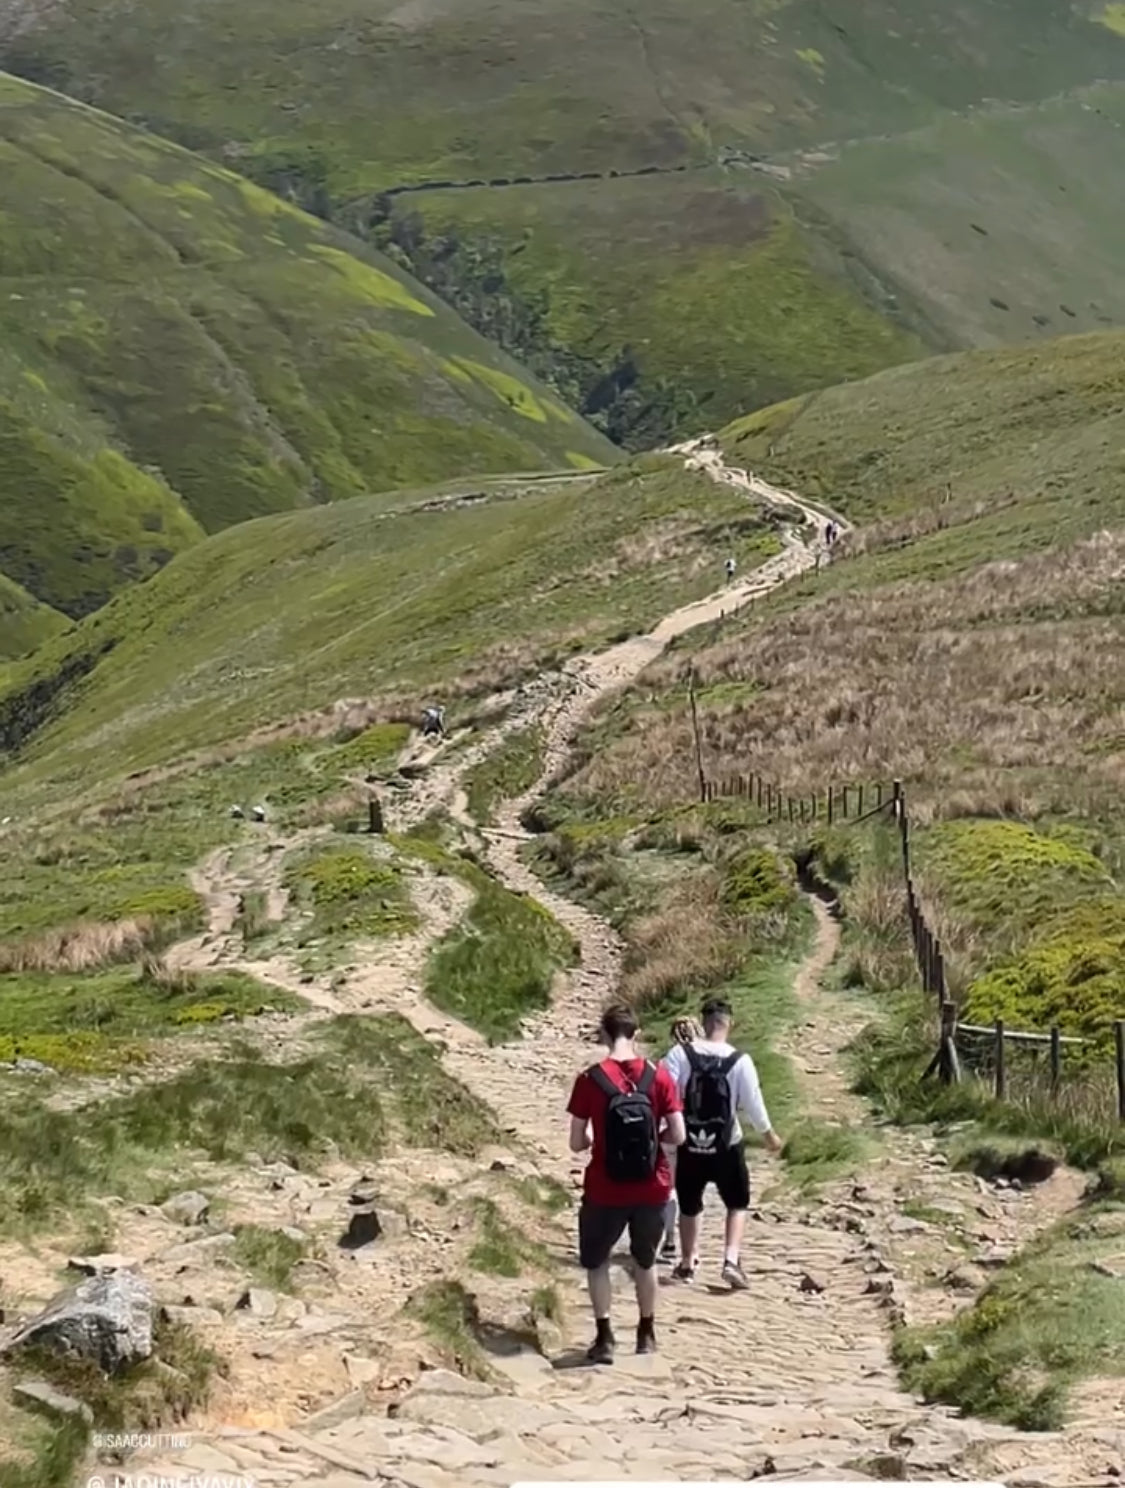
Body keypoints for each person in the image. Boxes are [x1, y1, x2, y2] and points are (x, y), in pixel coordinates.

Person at [567, 1003, 685, 1362]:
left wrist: (595, 1140)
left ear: (604, 1034)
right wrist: (651, 1138)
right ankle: (646, 1332)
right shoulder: (658, 1074)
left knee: (597, 1261)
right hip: (652, 1185)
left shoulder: (590, 1080)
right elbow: (678, 1135)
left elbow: (576, 1143)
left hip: (605, 1186)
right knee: (645, 1262)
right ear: (636, 1033)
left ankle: (604, 1337)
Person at [661, 996, 784, 1290]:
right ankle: (730, 1260)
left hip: (689, 1142)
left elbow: (664, 1091)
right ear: (730, 1024)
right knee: (738, 1202)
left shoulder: (680, 1054)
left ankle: (688, 1262)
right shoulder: (740, 1060)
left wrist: (662, 1129)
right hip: (728, 1143)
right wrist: (769, 1136)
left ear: (703, 1022)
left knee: (690, 1203)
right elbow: (754, 1105)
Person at [660, 1016, 701, 1261]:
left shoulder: (671, 1058)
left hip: (674, 1127)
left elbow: (665, 1093)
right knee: (693, 1190)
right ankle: (692, 1247)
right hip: (705, 1132)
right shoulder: (714, 1056)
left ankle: (670, 1239)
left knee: (671, 1187)